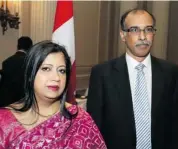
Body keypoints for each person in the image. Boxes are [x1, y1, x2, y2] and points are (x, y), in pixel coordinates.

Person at [87, 8, 178, 149]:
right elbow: (95, 127)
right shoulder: (102, 74)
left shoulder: (171, 72)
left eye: (148, 29)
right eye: (135, 30)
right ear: (123, 35)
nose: (143, 37)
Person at [0, 41, 107, 149]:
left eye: (61, 71)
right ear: (30, 74)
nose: (56, 77)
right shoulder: (4, 122)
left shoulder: (80, 119)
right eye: (46, 69)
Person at [0, 36, 33, 107]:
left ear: (18, 46)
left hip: (6, 101)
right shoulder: (30, 63)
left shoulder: (6, 62)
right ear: (30, 48)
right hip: (24, 102)